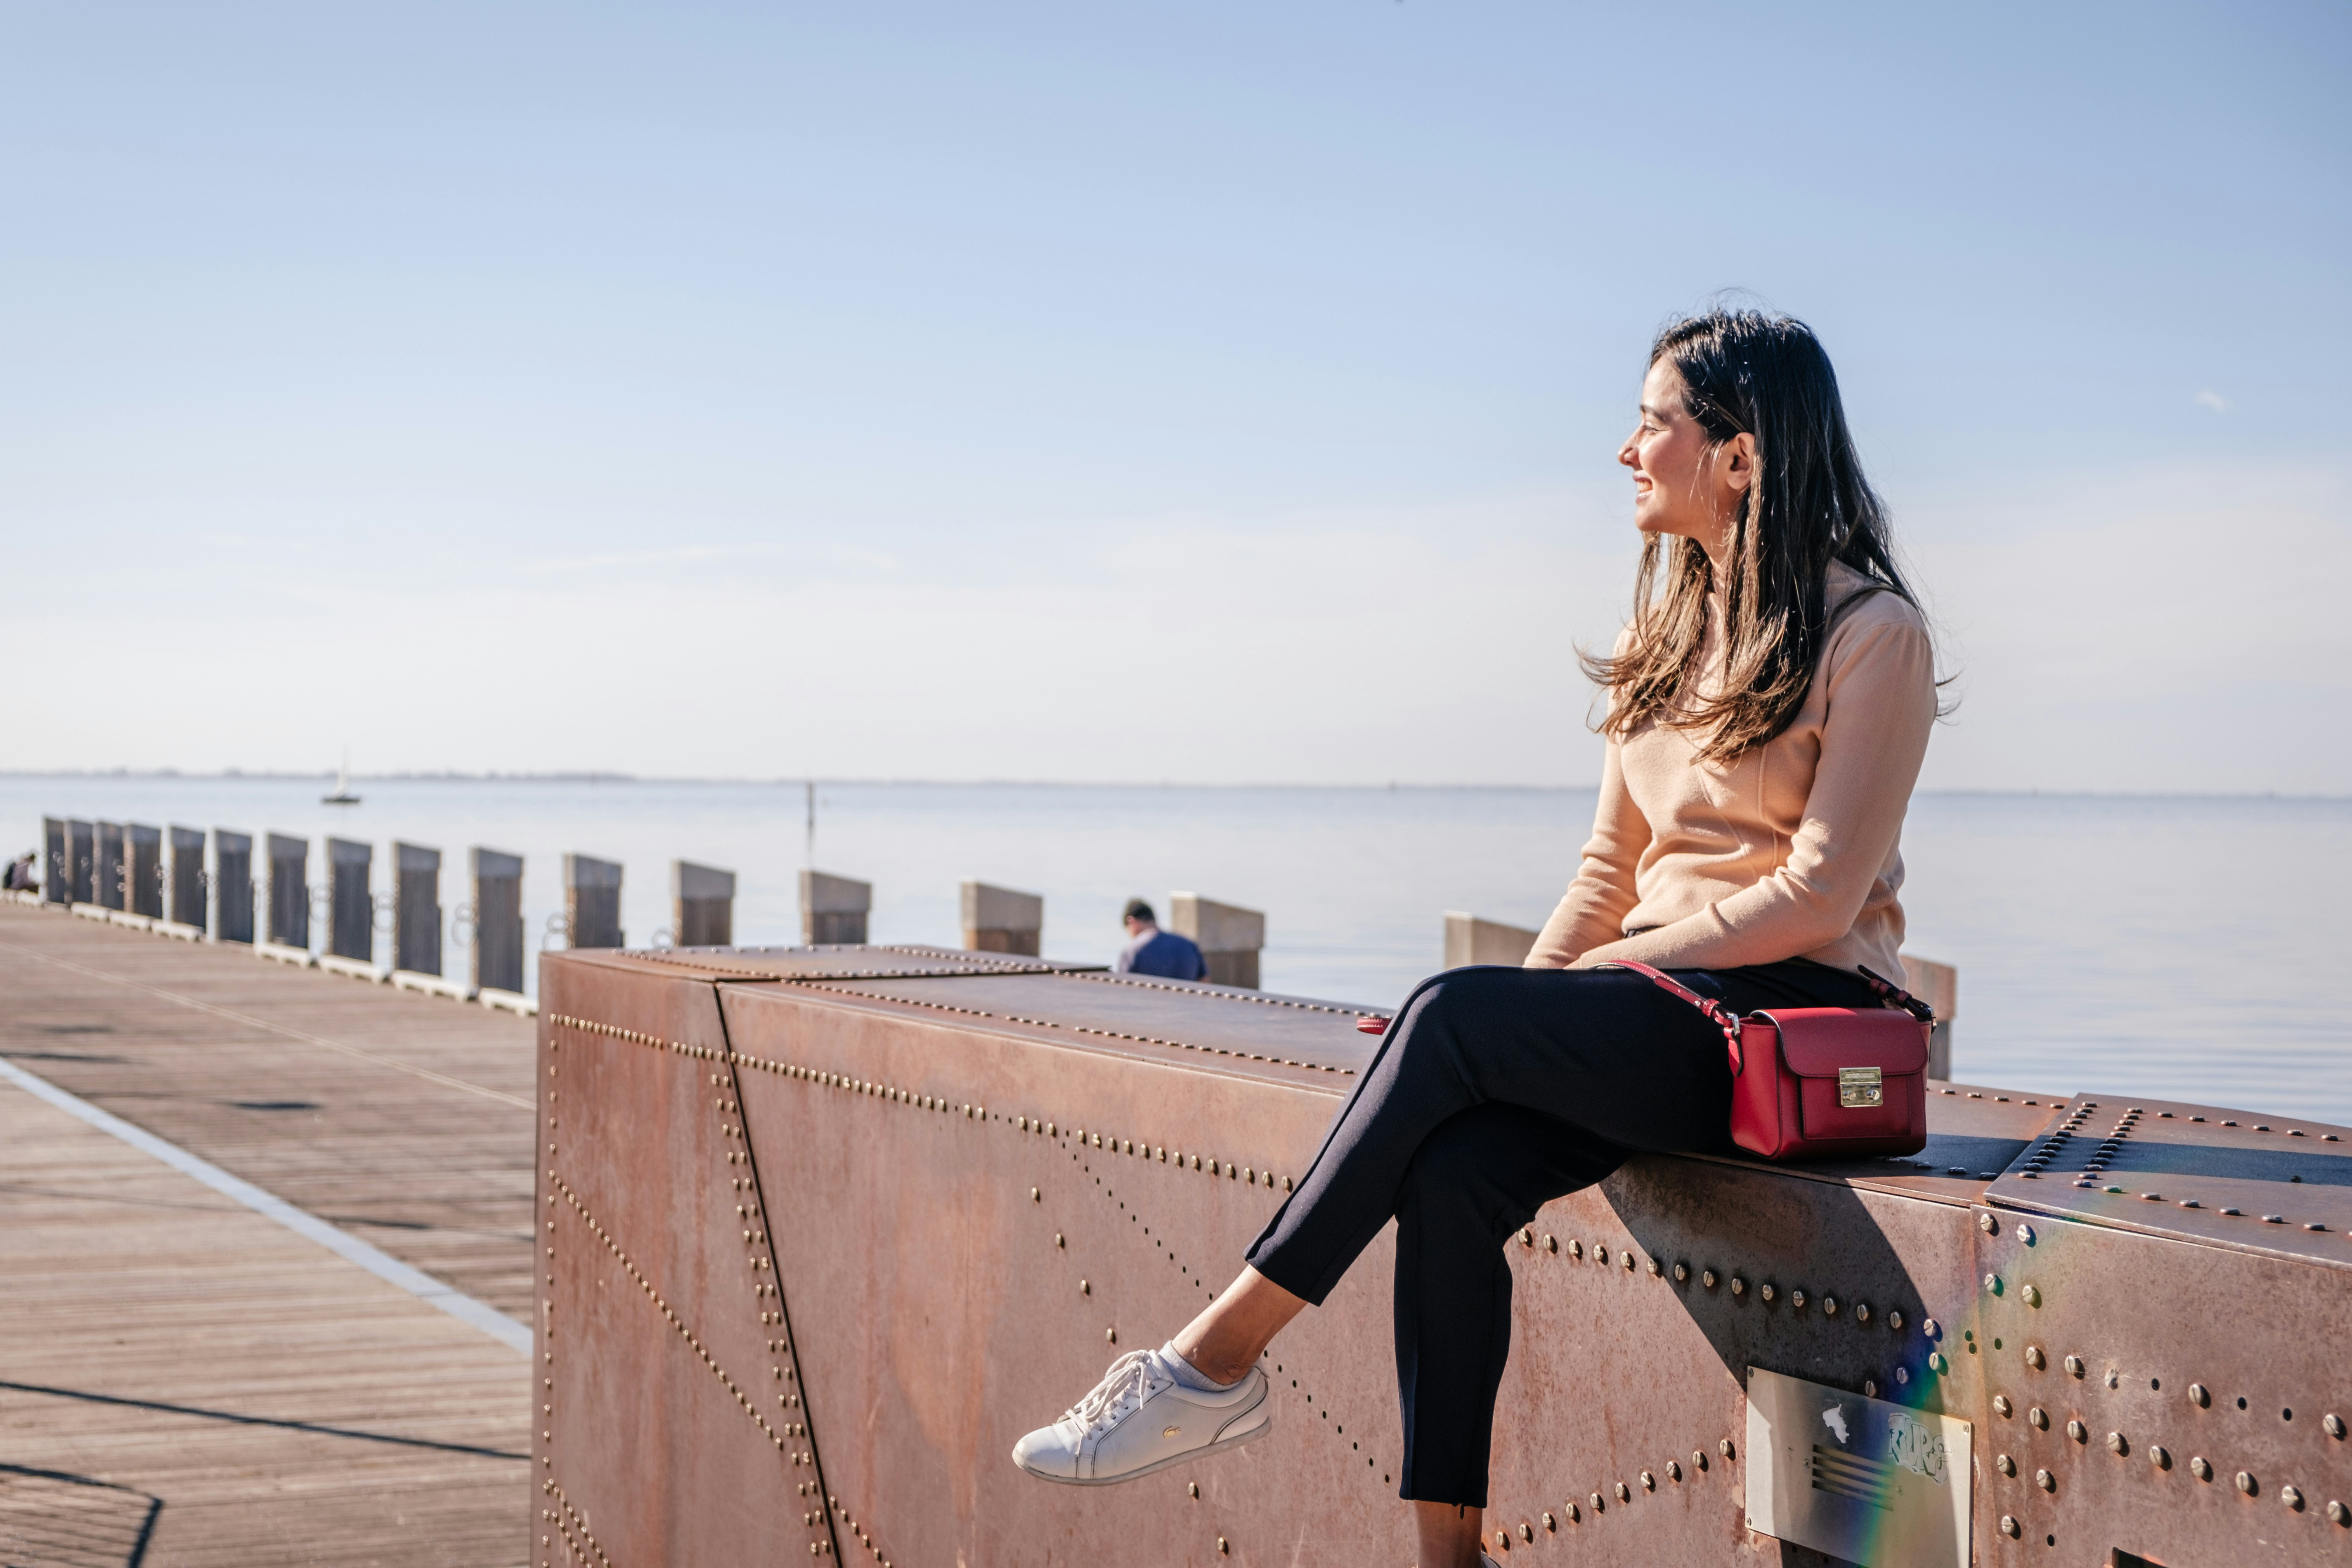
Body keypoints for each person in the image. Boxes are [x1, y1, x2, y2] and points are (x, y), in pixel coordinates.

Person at [1010, 307, 1940, 1568]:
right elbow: (1610, 871)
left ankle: (1212, 1361)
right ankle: (1447, 1557)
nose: (1625, 450)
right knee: (1452, 1176)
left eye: (1653, 421)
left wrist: (1553, 996)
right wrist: (1524, 1018)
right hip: (1664, 1010)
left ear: (1740, 455)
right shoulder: (1658, 640)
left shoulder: (1869, 630)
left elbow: (1822, 899)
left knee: (1453, 1012)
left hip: (1788, 1020)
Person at [1111, 899, 1208, 981]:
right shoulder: (1189, 945)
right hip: (1188, 1003)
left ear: (1132, 921)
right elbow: (1204, 981)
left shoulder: (1132, 950)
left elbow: (1124, 989)